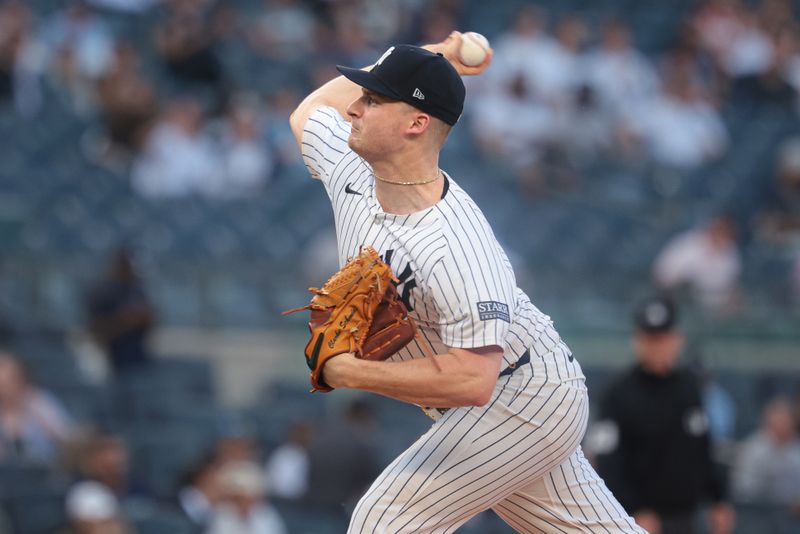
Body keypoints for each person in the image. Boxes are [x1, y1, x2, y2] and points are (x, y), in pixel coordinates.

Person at [289, 31, 644, 532]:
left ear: (416, 122)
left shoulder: (457, 246)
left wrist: (348, 373)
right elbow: (308, 110)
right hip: (477, 405)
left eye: (372, 99)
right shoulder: (350, 169)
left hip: (522, 394)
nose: (354, 109)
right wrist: (437, 55)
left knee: (384, 519)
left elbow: (472, 380)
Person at [591, 296, 736, 534]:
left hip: (685, 518)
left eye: (662, 338)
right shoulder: (617, 395)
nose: (656, 346)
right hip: (637, 522)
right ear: (637, 341)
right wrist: (633, 509)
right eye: (650, 339)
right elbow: (608, 462)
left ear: (677, 340)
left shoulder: (689, 389)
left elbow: (703, 448)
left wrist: (718, 499)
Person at [86, 249, 156, 373]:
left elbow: (151, 321)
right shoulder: (103, 294)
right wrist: (123, 322)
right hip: (110, 362)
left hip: (139, 361)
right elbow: (96, 329)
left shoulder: (137, 291)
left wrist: (141, 318)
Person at [0, 352, 75, 466]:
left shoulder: (40, 402)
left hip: (46, 469)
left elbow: (68, 440)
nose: (6, 388)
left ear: (21, 379)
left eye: (10, 380)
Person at [731, 396, 800, 507]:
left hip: (793, 513)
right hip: (761, 511)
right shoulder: (753, 449)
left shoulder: (796, 448)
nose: (782, 426)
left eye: (786, 422)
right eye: (778, 422)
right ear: (767, 423)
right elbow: (743, 488)